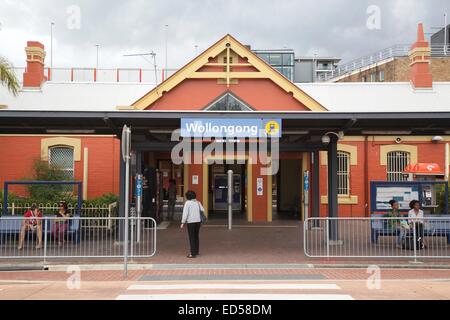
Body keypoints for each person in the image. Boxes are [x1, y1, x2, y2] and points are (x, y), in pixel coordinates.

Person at [180, 190, 204, 258]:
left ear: (187, 196)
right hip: (198, 222)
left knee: (192, 237)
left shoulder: (187, 203)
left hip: (191, 222)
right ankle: (196, 251)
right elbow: (202, 210)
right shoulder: (197, 202)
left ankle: (192, 254)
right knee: (196, 236)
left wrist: (182, 222)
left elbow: (185, 214)